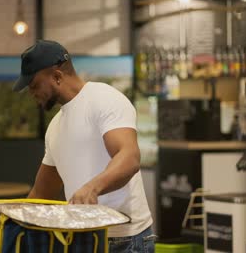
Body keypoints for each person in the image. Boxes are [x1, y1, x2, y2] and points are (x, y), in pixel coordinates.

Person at [13, 40, 155, 252]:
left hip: (124, 241)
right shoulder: (54, 127)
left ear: (57, 77)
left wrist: (92, 188)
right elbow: (42, 192)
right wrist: (10, 219)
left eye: (34, 85)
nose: (32, 93)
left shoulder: (104, 99)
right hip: (83, 238)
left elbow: (129, 157)